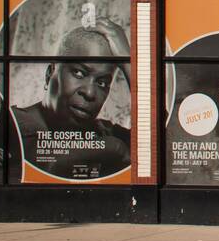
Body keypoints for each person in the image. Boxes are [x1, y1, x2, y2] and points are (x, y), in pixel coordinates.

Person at [11, 21, 131, 179]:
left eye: (102, 83)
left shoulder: (104, 131)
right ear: (50, 74)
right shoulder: (13, 122)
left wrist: (131, 65)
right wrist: (115, 148)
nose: (89, 92)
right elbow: (43, 162)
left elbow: (164, 145)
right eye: (79, 73)